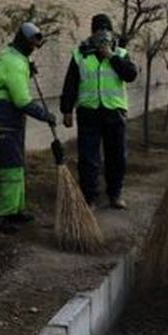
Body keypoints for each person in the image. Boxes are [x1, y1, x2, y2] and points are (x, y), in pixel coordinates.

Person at [0, 22, 57, 234]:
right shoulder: (14, 62)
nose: (34, 48)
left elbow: (15, 79)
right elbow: (21, 100)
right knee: (9, 166)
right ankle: (1, 217)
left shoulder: (17, 56)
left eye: (36, 45)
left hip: (10, 118)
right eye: (32, 44)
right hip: (2, 118)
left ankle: (16, 210)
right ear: (24, 41)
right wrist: (44, 115)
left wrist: (28, 69)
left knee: (18, 163)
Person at [59, 14, 138, 209]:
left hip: (115, 111)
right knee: (88, 157)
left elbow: (131, 75)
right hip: (89, 112)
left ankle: (115, 194)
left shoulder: (120, 53)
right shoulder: (81, 54)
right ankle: (90, 197)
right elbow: (70, 84)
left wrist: (111, 56)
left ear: (112, 33)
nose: (102, 34)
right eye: (98, 30)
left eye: (106, 30)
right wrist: (66, 110)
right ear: (92, 32)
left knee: (116, 156)